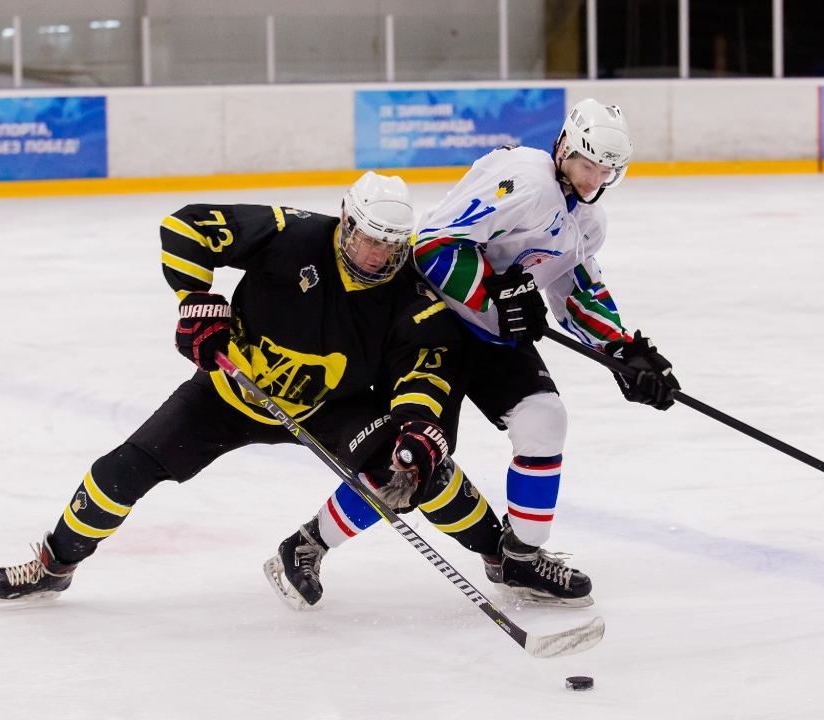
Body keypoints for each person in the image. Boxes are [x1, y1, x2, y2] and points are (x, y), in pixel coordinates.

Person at [0, 172, 507, 604]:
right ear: (346, 220)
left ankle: (503, 557)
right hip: (227, 396)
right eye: (368, 238)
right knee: (119, 472)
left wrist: (418, 426)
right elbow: (185, 226)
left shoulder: (408, 293)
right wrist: (195, 298)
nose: (375, 256)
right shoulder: (293, 234)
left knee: (418, 467)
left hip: (328, 407)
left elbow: (422, 367)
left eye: (389, 246)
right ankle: (54, 564)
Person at [274, 99, 680, 608]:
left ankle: (521, 559)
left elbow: (575, 288)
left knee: (544, 419)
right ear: (563, 147)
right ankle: (306, 544)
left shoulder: (589, 222)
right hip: (430, 324)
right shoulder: (523, 179)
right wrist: (495, 294)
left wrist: (622, 349)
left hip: (492, 334)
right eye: (586, 164)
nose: (592, 179)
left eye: (605, 171)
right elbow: (432, 247)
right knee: (411, 457)